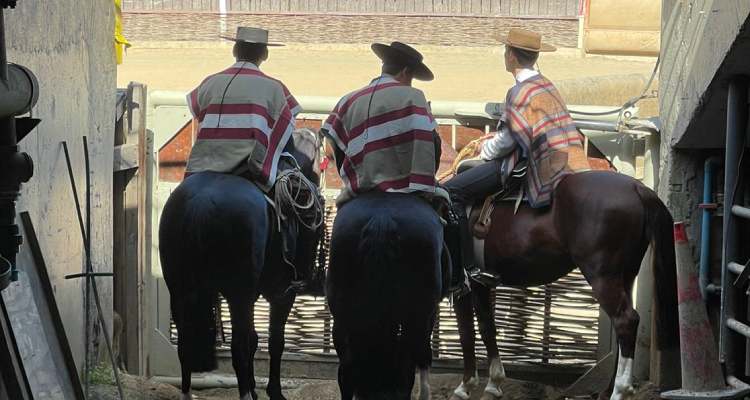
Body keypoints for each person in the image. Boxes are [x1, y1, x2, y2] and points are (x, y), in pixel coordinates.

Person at [444, 28, 591, 282]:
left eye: (506, 51)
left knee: (451, 193)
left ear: (511, 56)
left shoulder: (519, 93)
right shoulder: (546, 85)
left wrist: (484, 149)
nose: (504, 55)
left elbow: (508, 141)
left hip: (526, 163)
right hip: (559, 158)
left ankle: (466, 269)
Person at [320, 41, 442, 207]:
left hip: (359, 196)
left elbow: (336, 149)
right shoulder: (414, 97)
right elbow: (431, 146)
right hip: (405, 197)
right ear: (405, 72)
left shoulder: (348, 100)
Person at [185, 26, 300, 191]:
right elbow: (286, 129)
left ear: (234, 50)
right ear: (265, 55)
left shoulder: (209, 82)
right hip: (248, 169)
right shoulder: (276, 88)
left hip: (202, 165)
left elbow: (197, 113)